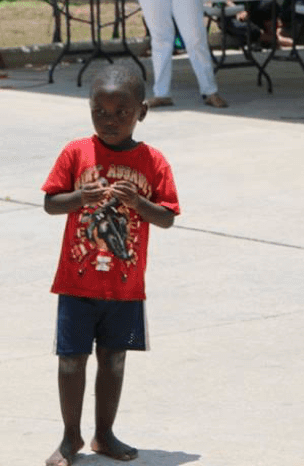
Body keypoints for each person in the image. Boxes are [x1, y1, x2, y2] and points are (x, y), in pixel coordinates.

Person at [41, 64, 180, 466]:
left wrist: (139, 203)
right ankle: (71, 438)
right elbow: (51, 203)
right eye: (100, 111)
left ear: (143, 111)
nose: (110, 120)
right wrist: (80, 198)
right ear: (88, 110)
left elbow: (167, 216)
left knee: (114, 359)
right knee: (71, 360)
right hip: (76, 282)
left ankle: (104, 434)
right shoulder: (75, 153)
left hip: (124, 285)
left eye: (122, 112)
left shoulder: (153, 162)